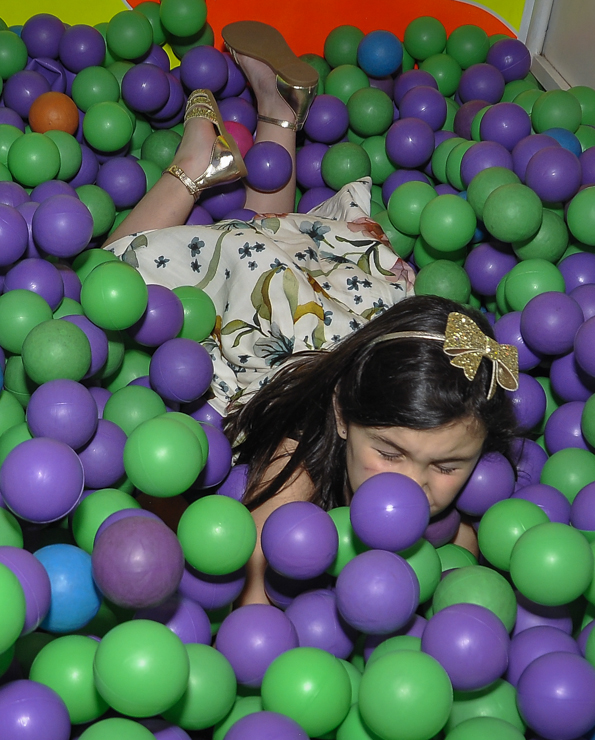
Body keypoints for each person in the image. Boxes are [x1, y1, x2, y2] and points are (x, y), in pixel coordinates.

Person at [102, 22, 521, 604]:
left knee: (276, 238)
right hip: (282, 316)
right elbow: (253, 577)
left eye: (447, 467)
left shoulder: (459, 445)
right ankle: (198, 160)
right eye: (390, 453)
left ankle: (279, 113)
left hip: (346, 306)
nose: (413, 489)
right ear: (343, 416)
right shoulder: (301, 450)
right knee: (109, 278)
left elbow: (461, 581)